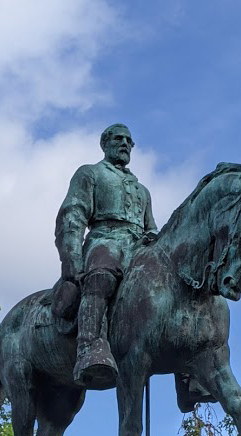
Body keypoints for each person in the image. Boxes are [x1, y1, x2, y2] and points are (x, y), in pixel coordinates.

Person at [54, 124, 157, 388]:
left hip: (138, 246)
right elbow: (73, 215)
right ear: (105, 143)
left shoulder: (142, 190)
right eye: (118, 138)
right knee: (101, 276)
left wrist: (155, 239)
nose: (125, 143)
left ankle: (189, 370)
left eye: (129, 141)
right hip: (104, 240)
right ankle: (89, 347)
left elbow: (151, 227)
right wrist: (72, 258)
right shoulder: (90, 174)